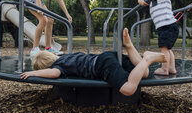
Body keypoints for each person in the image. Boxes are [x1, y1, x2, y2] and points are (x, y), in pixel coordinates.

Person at [20, 28, 166, 96]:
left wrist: (34, 73)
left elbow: (53, 73)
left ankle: (147, 58)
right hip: (107, 56)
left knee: (128, 89)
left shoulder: (59, 66)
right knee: (144, 72)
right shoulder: (64, 57)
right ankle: (130, 47)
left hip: (102, 66)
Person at [137, 0, 179, 76]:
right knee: (168, 49)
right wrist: (141, 0)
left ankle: (164, 69)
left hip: (167, 25)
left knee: (164, 49)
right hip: (167, 26)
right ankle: (171, 68)